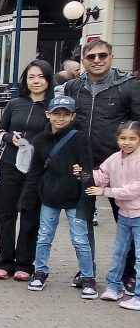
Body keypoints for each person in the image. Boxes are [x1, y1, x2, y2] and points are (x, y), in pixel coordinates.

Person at [63, 39, 140, 293]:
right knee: (82, 220)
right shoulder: (74, 86)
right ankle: (87, 271)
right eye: (92, 56)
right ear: (84, 60)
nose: (97, 60)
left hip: (120, 164)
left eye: (102, 55)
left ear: (111, 56)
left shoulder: (127, 85)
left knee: (128, 221)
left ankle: (129, 274)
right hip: (84, 164)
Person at [20, 95, 96, 298]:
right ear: (48, 114)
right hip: (49, 197)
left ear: (72, 116)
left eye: (65, 114)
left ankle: (88, 277)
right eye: (56, 114)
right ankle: (40, 272)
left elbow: (88, 170)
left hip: (73, 197)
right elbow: (35, 172)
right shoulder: (41, 140)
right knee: (44, 237)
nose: (60, 118)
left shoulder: (80, 138)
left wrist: (88, 195)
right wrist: (27, 199)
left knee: (80, 239)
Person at [0, 60, 53, 281]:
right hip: (9, 164)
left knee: (30, 215)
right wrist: (10, 138)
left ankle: (25, 263)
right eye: (31, 77)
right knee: (5, 213)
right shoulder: (15, 103)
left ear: (48, 79)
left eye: (41, 77)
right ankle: (5, 260)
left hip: (37, 168)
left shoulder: (53, 106)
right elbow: (0, 131)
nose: (36, 81)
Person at [84, 121, 140, 308]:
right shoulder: (114, 158)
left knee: (139, 255)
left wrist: (106, 192)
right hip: (124, 215)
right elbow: (101, 176)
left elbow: (134, 190)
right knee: (119, 252)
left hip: (139, 215)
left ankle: (138, 295)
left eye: (133, 138)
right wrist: (82, 174)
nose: (127, 142)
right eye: (123, 138)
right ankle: (114, 286)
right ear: (117, 139)